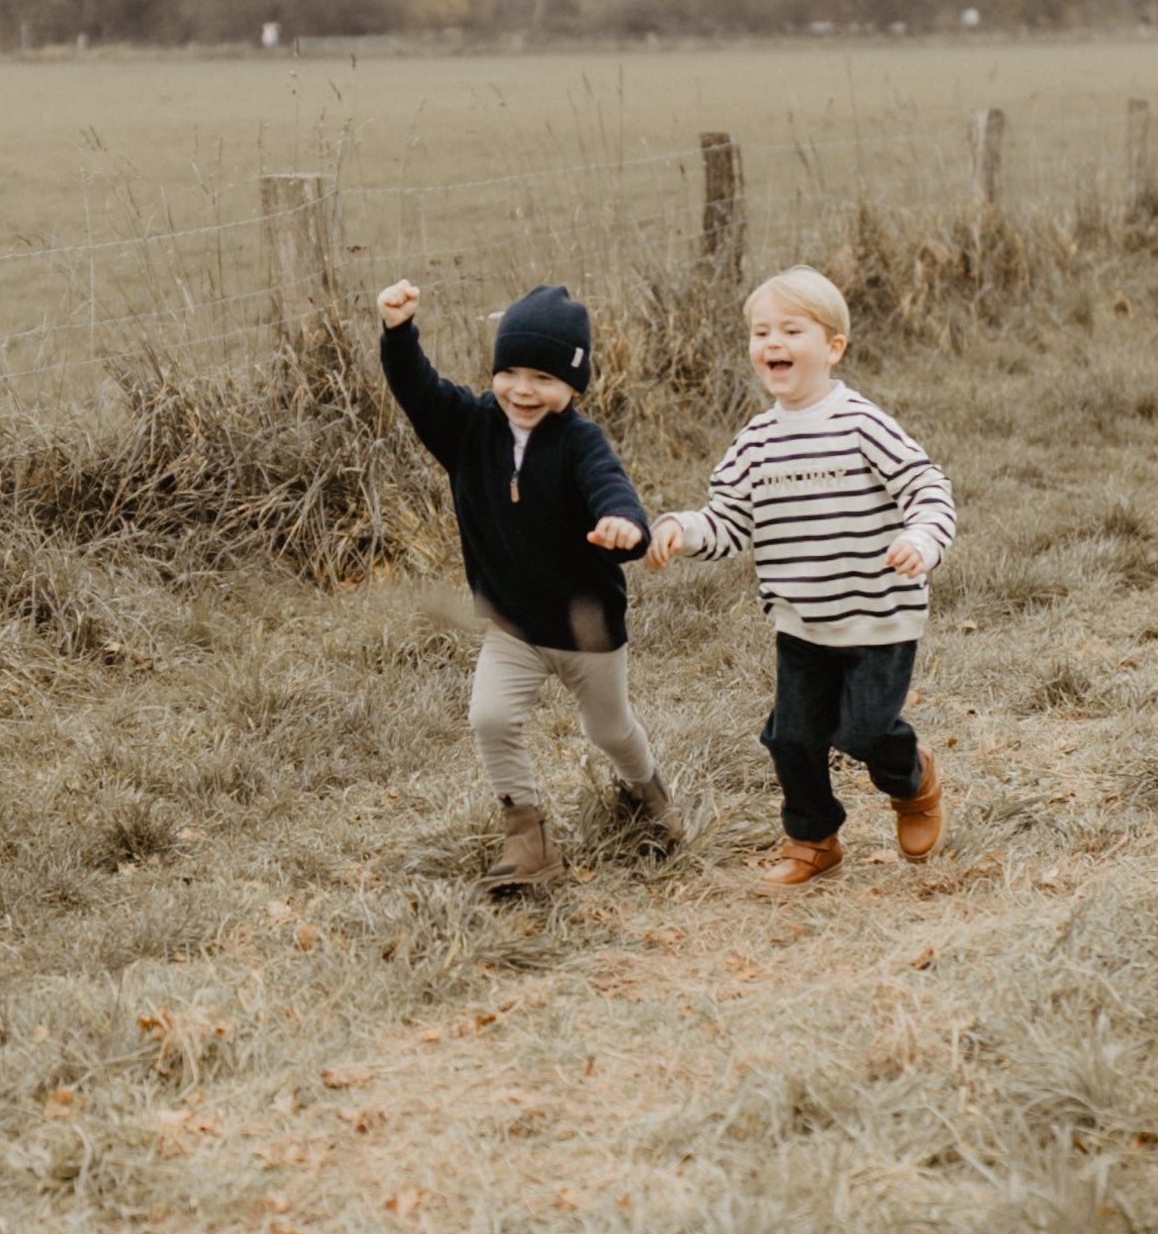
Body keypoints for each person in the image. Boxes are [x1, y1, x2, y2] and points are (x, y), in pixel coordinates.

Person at [647, 266, 955, 888]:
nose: (773, 344)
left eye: (792, 329)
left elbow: (928, 487)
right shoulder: (755, 443)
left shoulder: (861, 423)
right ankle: (813, 839)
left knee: (864, 729)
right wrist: (684, 529)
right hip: (802, 620)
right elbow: (728, 521)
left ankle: (912, 779)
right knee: (792, 737)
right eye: (762, 332)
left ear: (832, 348)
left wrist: (919, 539)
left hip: (877, 613)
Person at [378, 277, 677, 889]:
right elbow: (416, 388)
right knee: (489, 716)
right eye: (511, 371)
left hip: (586, 626)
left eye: (544, 378)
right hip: (513, 623)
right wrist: (398, 331)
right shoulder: (466, 427)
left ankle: (650, 798)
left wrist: (624, 524)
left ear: (573, 385)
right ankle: (530, 843)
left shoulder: (580, 443)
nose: (524, 389)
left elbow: (610, 486)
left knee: (609, 729)